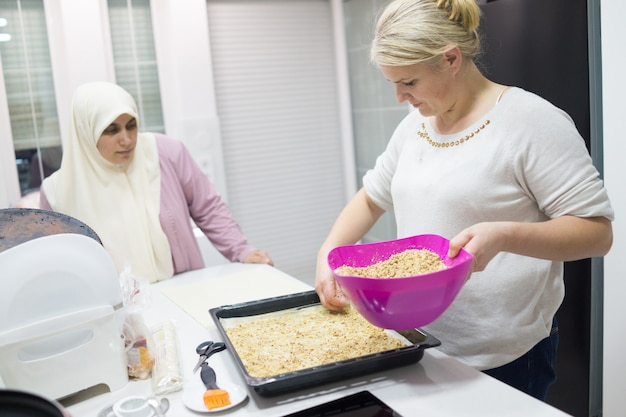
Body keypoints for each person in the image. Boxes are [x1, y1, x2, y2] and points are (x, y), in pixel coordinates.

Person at [315, 0, 613, 401]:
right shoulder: (414, 126)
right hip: (417, 342)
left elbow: (596, 233)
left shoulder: (531, 122)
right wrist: (329, 252)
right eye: (393, 83)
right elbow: (371, 198)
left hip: (500, 357)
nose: (400, 97)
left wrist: (504, 235)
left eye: (409, 82)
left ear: (450, 59)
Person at [40, 81, 272, 283]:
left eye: (131, 125)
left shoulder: (166, 153)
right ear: (85, 133)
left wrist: (241, 250)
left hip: (183, 291)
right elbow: (59, 265)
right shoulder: (57, 193)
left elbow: (209, 209)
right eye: (111, 130)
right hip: (116, 313)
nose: (127, 139)